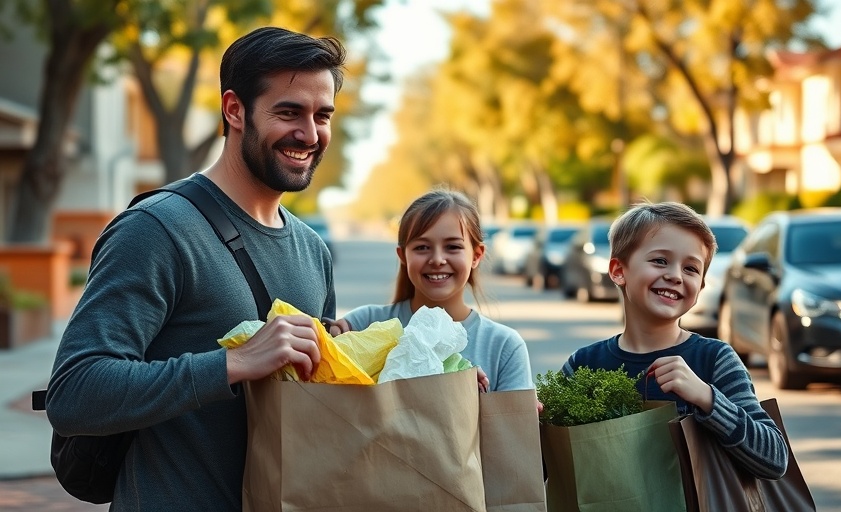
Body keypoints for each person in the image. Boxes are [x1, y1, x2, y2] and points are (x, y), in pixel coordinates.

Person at [45, 27, 345, 510]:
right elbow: (75, 392)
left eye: (322, 115)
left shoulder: (313, 250)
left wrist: (430, 377)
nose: (309, 134)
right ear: (234, 110)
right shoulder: (157, 229)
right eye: (289, 112)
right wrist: (233, 363)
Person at [560, 201, 788, 480]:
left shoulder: (715, 359)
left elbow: (775, 459)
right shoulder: (584, 365)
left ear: (701, 286)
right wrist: (533, 418)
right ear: (619, 271)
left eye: (691, 269)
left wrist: (707, 398)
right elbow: (544, 459)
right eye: (660, 261)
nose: (675, 276)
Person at [330, 189, 535, 392]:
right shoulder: (363, 324)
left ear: (476, 255)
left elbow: (512, 423)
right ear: (403, 256)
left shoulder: (503, 347)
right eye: (422, 247)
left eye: (453, 247)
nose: (437, 259)